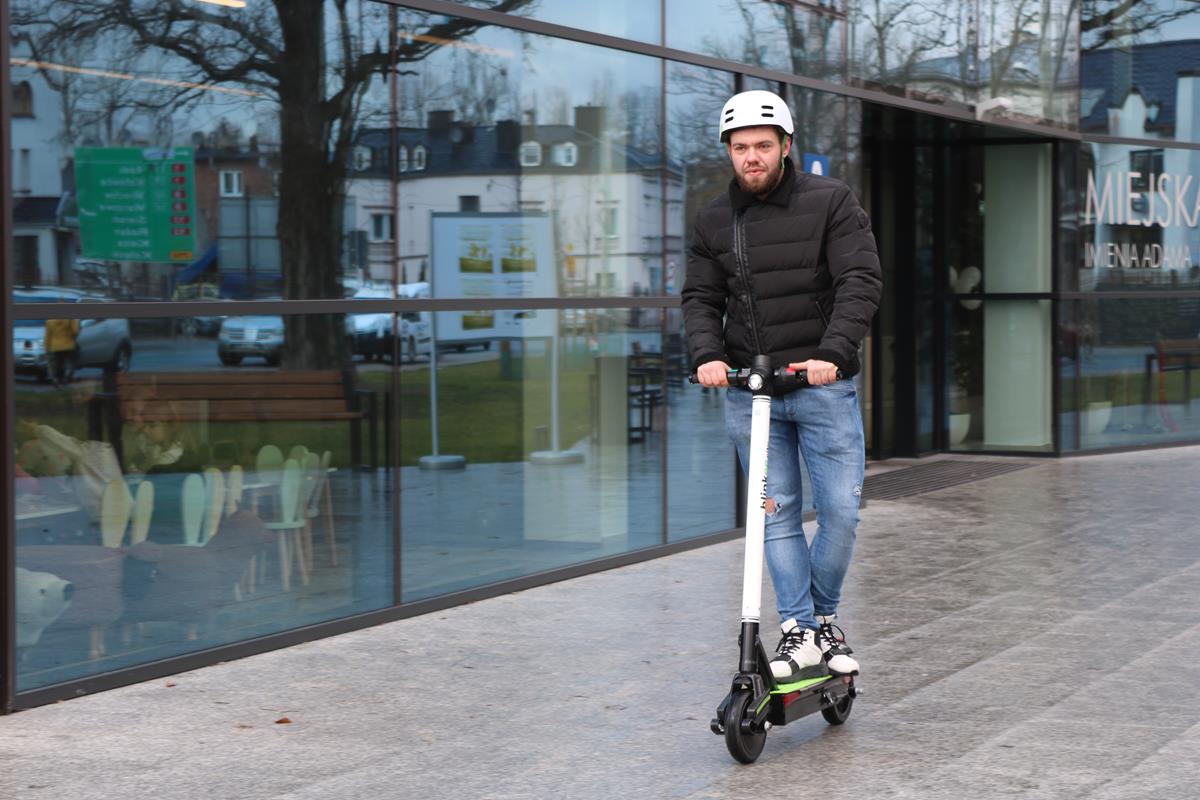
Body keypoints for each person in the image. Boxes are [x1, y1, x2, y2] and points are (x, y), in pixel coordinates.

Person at [682, 90, 882, 681]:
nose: (752, 157)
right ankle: (799, 629)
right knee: (777, 515)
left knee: (841, 513)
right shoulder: (713, 218)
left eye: (763, 146)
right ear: (729, 152)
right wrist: (708, 355)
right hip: (753, 392)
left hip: (821, 386)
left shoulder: (831, 201)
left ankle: (822, 620)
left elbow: (860, 280)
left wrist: (833, 352)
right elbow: (701, 297)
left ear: (786, 146)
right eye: (740, 147)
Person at [44, 309, 80, 388]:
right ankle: (66, 379)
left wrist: (47, 349)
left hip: (56, 346)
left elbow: (47, 336)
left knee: (58, 364)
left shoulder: (49, 321)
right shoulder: (70, 319)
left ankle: (57, 380)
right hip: (69, 345)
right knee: (72, 363)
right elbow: (76, 332)